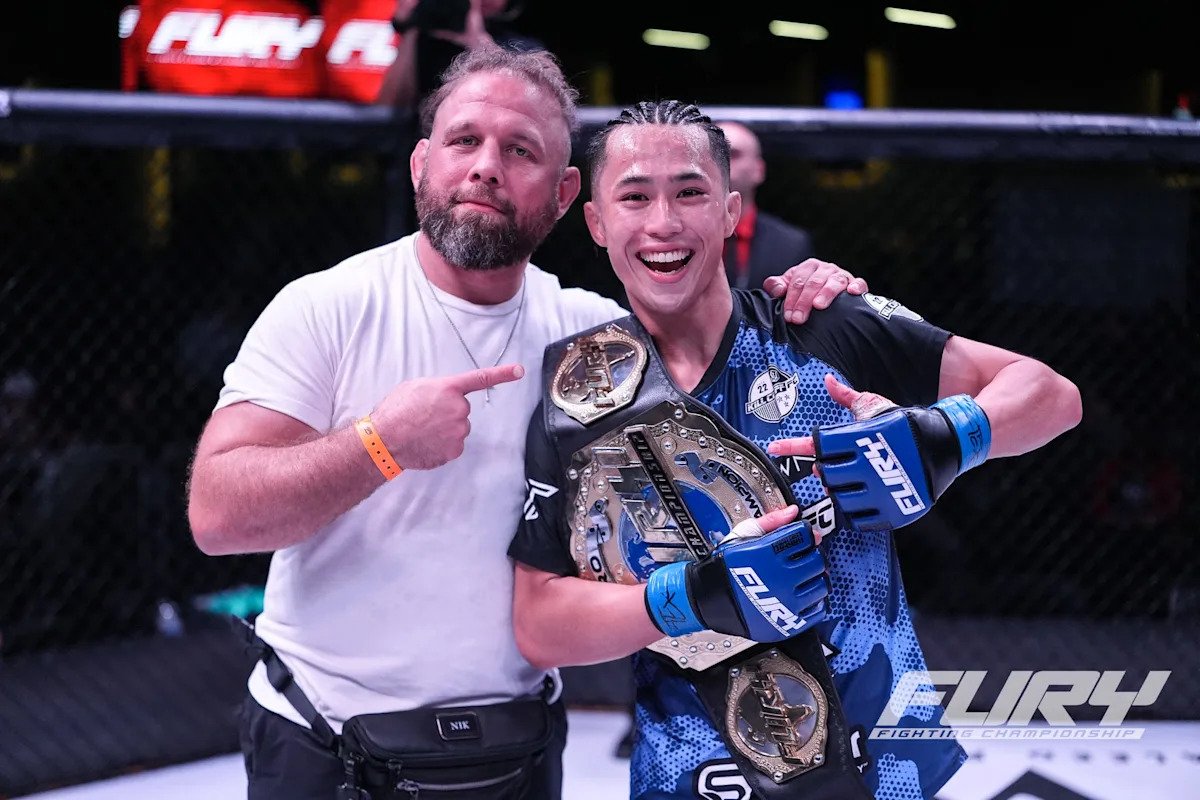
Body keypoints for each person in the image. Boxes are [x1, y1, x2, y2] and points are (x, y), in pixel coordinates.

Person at [186, 46, 868, 799]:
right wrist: (378, 445)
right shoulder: (328, 308)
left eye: (520, 151)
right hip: (324, 739)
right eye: (463, 140)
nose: (486, 167)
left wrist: (813, 300)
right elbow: (218, 516)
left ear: (565, 192)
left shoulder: (594, 343)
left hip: (519, 743)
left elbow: (739, 372)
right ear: (421, 163)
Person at [508, 100, 1083, 799]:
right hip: (689, 776)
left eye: (689, 192)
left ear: (730, 210)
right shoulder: (579, 403)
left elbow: (1052, 395)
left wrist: (940, 437)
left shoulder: (822, 326)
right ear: (597, 222)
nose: (663, 222)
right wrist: (692, 597)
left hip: (881, 770)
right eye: (635, 197)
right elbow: (539, 626)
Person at [377, 0, 544, 109]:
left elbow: (528, 104)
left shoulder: (522, 48)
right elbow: (389, 106)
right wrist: (412, 26)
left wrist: (477, 40)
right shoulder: (425, 40)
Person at [716, 120, 816, 296]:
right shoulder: (678, 236)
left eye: (733, 154)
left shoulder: (790, 245)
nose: (721, 163)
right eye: (715, 155)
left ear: (759, 170)